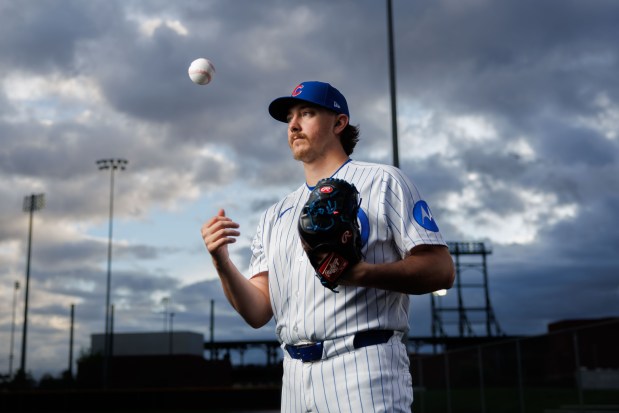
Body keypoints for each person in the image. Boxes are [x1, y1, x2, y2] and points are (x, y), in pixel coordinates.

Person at [201, 81, 455, 412]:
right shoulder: (275, 215)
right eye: (289, 117)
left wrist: (360, 273)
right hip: (293, 375)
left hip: (363, 365)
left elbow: (441, 269)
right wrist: (222, 262)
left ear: (339, 123)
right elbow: (257, 311)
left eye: (306, 113)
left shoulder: (382, 181)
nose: (293, 125)